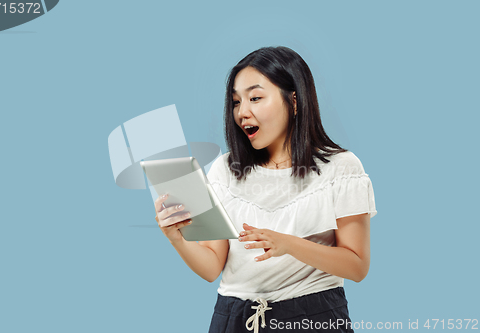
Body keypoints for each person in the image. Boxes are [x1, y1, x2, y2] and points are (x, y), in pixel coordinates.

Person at [154, 46, 377, 333]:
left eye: (255, 98)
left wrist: (288, 244)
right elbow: (212, 267)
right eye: (236, 102)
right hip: (232, 317)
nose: (242, 112)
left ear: (294, 100)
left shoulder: (341, 168)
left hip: (312, 314)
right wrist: (177, 239)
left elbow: (357, 266)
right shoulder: (225, 170)